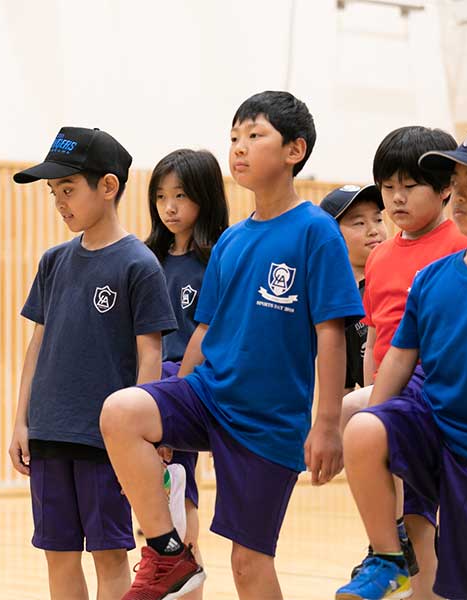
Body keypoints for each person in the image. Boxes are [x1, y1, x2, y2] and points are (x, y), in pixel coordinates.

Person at [101, 91, 363, 599]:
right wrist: (169, 403)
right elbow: (202, 331)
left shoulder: (316, 232)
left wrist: (327, 425)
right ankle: (168, 554)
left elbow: (331, 335)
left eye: (254, 135)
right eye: (234, 138)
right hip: (208, 396)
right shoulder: (231, 241)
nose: (239, 148)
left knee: (248, 563)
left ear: (294, 150)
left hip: (269, 421)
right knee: (123, 411)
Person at [8, 126, 178, 600]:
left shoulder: (138, 264)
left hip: (105, 441)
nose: (61, 202)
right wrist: (21, 421)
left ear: (107, 187)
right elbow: (37, 346)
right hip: (48, 433)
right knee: (58, 557)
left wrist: (148, 430)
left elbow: (151, 354)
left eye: (69, 189)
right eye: (54, 192)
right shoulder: (53, 261)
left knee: (110, 557)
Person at [335, 133, 467, 600]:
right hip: (423, 410)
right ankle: (388, 550)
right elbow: (388, 347)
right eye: (459, 181)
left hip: (452, 421)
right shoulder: (413, 270)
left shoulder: (448, 244)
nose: (461, 194)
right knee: (362, 423)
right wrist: (380, 410)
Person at [143, 148, 230, 600]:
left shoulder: (217, 258)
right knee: (152, 502)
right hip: (146, 386)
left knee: (181, 494)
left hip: (186, 387)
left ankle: (188, 584)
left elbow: (212, 336)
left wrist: (181, 388)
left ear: (205, 197)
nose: (169, 207)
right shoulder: (147, 258)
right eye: (160, 196)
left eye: (180, 195)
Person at [318, 184, 387, 396]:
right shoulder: (336, 302)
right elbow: (343, 391)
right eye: (359, 223)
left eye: (378, 219)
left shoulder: (396, 282)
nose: (373, 230)